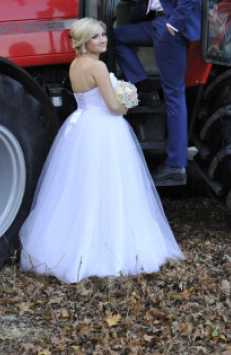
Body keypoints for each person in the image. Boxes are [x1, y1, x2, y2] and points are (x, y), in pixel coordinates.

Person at [19, 18, 183, 283]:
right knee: (111, 183)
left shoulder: (75, 64)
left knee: (80, 185)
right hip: (104, 127)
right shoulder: (98, 67)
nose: (103, 39)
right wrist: (128, 101)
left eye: (103, 34)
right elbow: (113, 106)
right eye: (96, 36)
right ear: (84, 41)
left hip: (81, 123)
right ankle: (108, 245)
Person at [99, 0, 200, 186]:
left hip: (170, 25)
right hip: (154, 22)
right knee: (116, 37)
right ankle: (143, 88)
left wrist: (175, 25)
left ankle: (176, 164)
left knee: (174, 94)